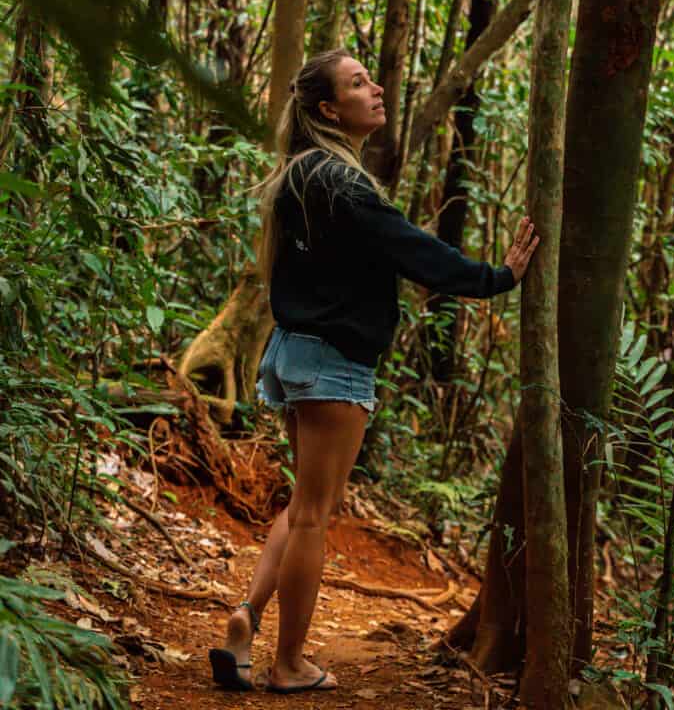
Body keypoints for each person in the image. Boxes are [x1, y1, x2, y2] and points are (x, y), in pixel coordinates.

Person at [209, 48, 539, 695]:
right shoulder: (340, 182)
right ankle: (288, 663)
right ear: (329, 108)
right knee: (311, 515)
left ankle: (246, 617)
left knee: (308, 503)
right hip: (331, 363)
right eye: (358, 84)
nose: (376, 88)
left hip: (295, 352)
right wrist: (495, 277)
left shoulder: (301, 175)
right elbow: (411, 248)